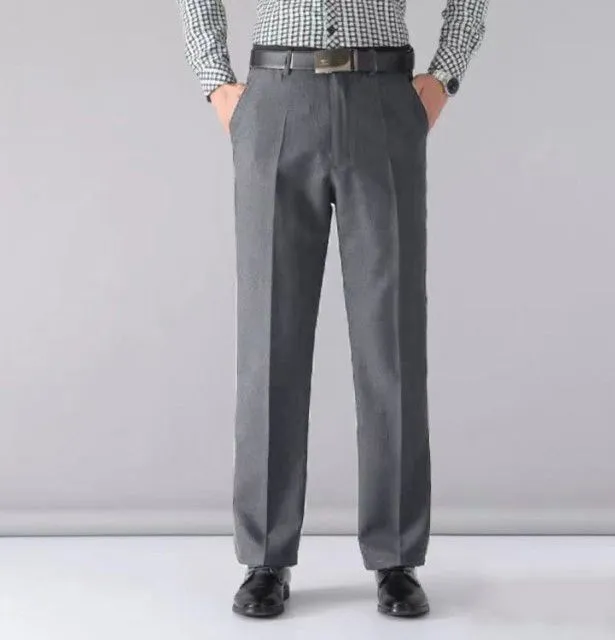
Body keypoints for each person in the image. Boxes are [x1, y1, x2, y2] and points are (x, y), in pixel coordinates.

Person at [177, 0, 489, 619]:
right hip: (277, 97)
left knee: (391, 337)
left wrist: (442, 76)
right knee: (270, 339)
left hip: (382, 98)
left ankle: (396, 555)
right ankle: (265, 556)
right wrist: (216, 81)